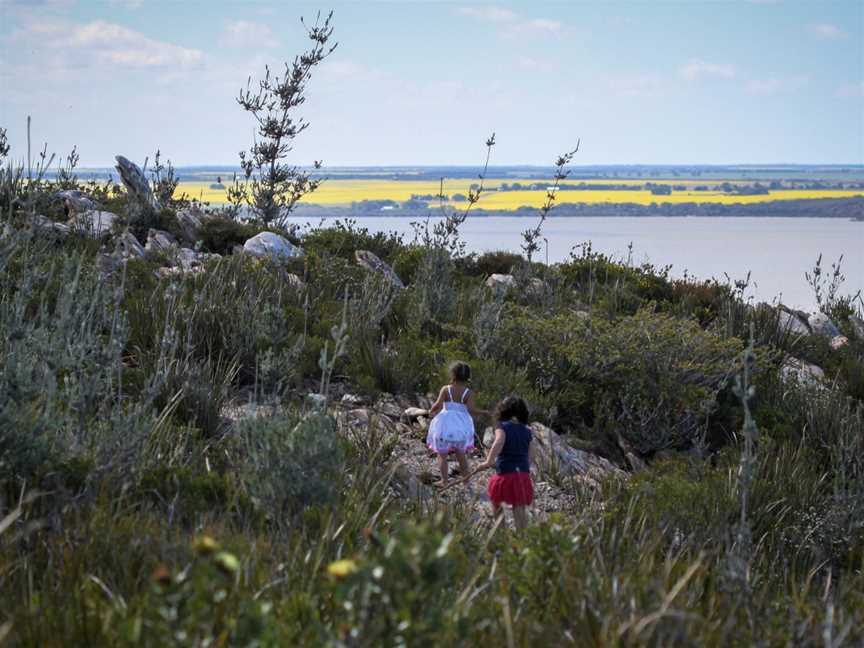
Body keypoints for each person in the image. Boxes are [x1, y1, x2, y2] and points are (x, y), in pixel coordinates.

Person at [471, 395, 534, 530]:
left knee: (496, 501)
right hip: (522, 475)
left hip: (505, 473)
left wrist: (488, 461)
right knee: (519, 506)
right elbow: (529, 455)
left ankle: (500, 531)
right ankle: (522, 535)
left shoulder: (502, 427)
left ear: (503, 410)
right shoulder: (527, 431)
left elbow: (499, 442)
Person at [426, 361, 488, 488]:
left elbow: (437, 405)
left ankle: (444, 481)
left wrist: (430, 411)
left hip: (444, 426)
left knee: (442, 455)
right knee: (461, 456)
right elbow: (471, 410)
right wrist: (484, 412)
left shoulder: (446, 389)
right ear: (467, 377)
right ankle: (466, 482)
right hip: (460, 428)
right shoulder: (468, 393)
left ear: (453, 374)